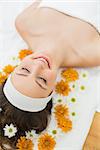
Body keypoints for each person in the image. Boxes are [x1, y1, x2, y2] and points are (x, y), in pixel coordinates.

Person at [0, 0, 100, 149]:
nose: (38, 65)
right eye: (41, 80)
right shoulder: (92, 55)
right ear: (52, 89)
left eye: (25, 70)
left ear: (15, 67)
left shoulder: (24, 23)